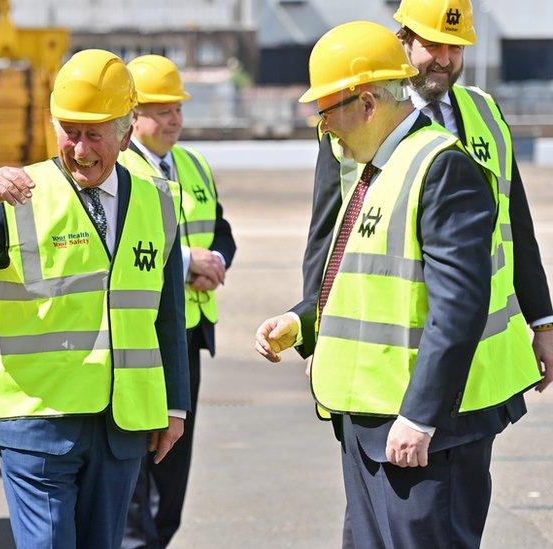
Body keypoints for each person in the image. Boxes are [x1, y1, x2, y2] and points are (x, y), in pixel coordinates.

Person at [254, 21, 540, 547]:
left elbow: (459, 307)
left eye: (328, 111)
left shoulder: (440, 168)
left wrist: (420, 417)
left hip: (420, 430)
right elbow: (360, 275)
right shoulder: (373, 166)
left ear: (366, 104)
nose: (324, 127)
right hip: (369, 418)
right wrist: (303, 320)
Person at [0, 49, 190, 548]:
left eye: (94, 134)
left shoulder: (159, 200)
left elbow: (166, 315)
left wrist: (174, 404)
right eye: (69, 131)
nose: (80, 148)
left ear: (127, 129)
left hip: (123, 423)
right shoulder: (18, 195)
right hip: (38, 422)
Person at [301, 0, 553, 392]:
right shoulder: (357, 121)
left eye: (456, 48)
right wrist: (319, 334)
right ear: (404, 42)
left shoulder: (486, 112)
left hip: (480, 357)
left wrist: (543, 322)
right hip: (391, 358)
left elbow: (514, 221)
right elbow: (329, 240)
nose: (445, 60)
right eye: (433, 45)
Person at [118, 54, 236, 548]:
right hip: (138, 336)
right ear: (132, 116)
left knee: (174, 457)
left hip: (188, 334)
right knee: (136, 458)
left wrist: (218, 263)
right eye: (160, 109)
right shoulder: (117, 168)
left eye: (177, 109)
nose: (173, 119)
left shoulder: (193, 165)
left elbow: (222, 230)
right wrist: (188, 261)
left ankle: (159, 537)